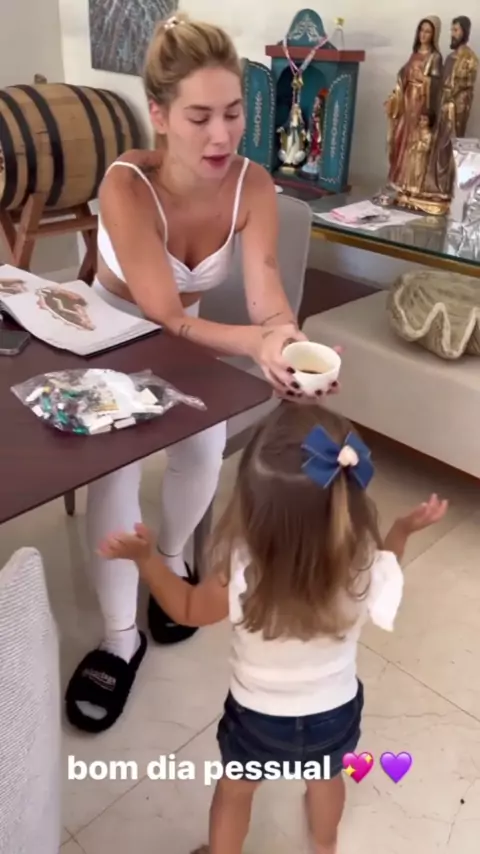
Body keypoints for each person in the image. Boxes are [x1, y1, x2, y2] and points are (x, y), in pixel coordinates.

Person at [65, 13, 338, 734]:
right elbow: (164, 311)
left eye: (233, 112)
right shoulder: (127, 185)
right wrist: (255, 344)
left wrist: (287, 343)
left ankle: (171, 565)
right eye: (199, 117)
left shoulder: (252, 185)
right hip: (112, 337)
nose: (222, 135)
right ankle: (119, 638)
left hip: (187, 338)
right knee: (118, 474)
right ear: (159, 115)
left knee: (203, 444)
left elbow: (266, 295)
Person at [98, 402, 448, 854]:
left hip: (256, 718)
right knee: (326, 780)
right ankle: (324, 846)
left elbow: (185, 608)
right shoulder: (362, 556)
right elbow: (389, 564)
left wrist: (147, 561)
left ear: (252, 502)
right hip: (334, 712)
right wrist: (400, 530)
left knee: (234, 792)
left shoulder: (240, 564)